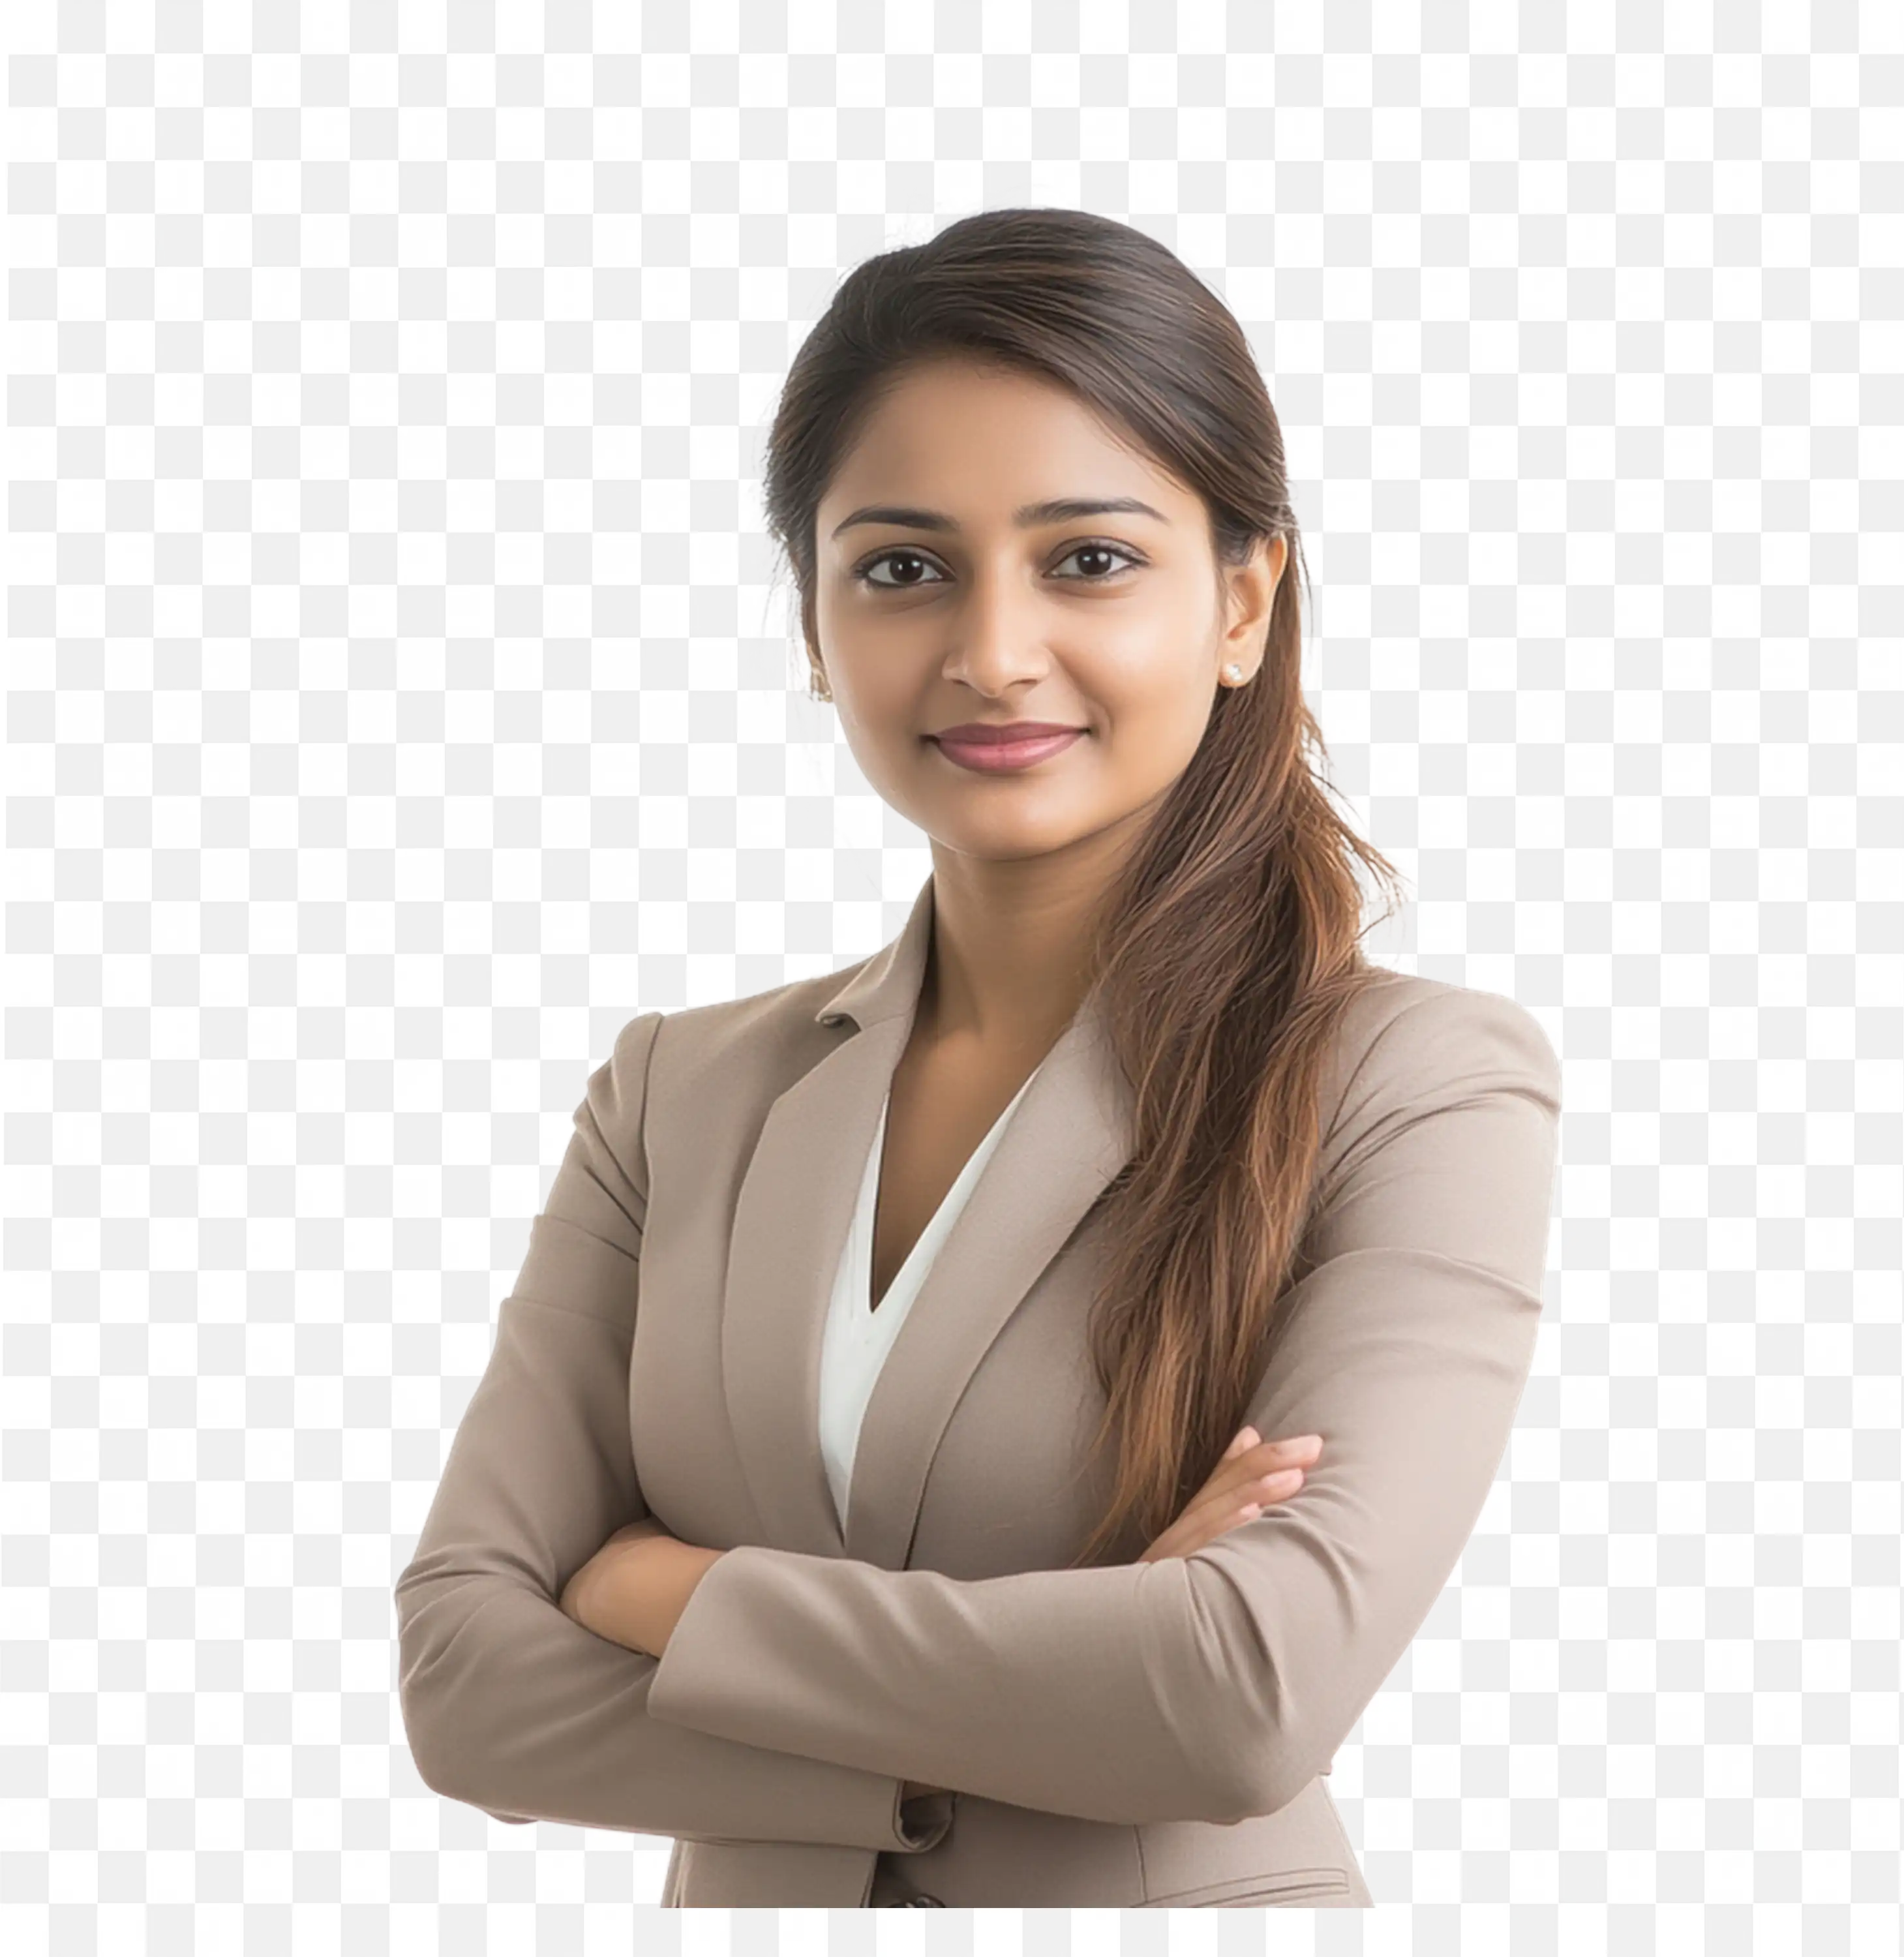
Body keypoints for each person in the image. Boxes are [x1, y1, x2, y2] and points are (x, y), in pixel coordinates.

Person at [392, 204, 1564, 1909]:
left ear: (1242, 602)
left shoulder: (1418, 1083)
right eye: (902, 565)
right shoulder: (681, 1092)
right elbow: (466, 1683)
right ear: (815, 624)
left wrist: (667, 1592)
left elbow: (1243, 1696)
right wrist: (1060, 1688)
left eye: (1089, 559)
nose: (993, 650)